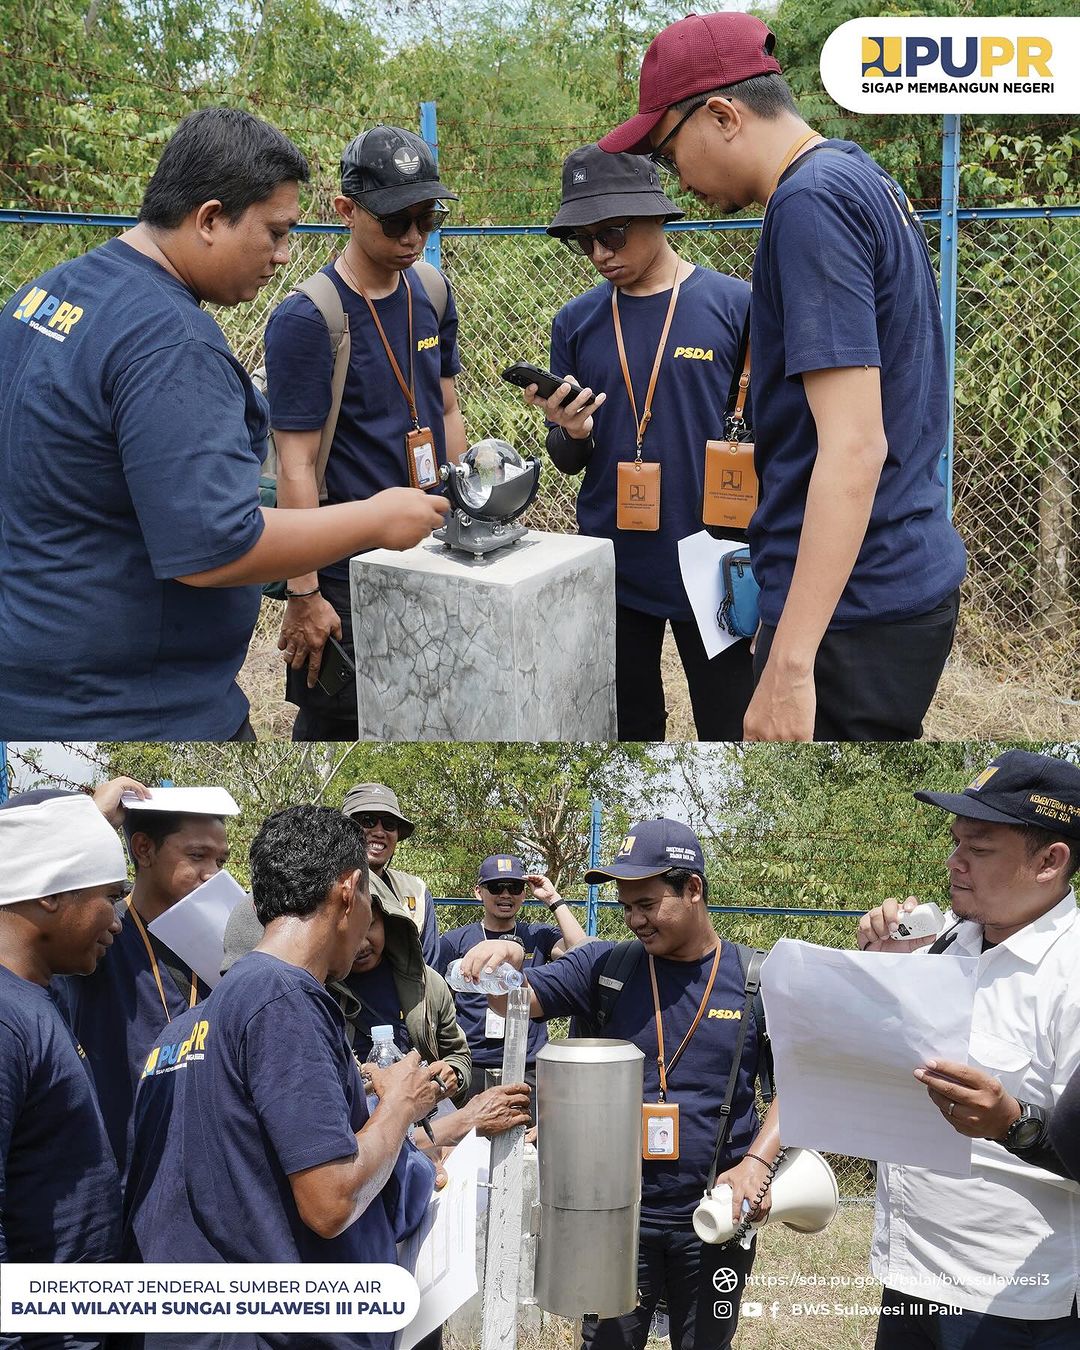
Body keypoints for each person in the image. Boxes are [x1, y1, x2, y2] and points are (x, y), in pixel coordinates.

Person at [0, 106, 448, 741]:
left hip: (36, 673)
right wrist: (376, 520)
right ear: (209, 219)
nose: (283, 256)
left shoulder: (47, 294)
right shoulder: (170, 343)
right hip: (135, 709)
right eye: (274, 232)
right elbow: (215, 547)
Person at [599, 12, 966, 742]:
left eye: (671, 155)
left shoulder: (810, 205)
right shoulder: (858, 175)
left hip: (855, 609)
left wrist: (791, 665)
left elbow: (855, 447)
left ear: (723, 115)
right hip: (891, 582)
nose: (678, 179)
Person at [124, 805, 442, 1350]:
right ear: (348, 891)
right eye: (371, 902)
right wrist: (400, 1105)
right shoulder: (284, 1000)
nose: (369, 925)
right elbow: (330, 1202)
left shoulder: (176, 1036)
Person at [456, 821, 780, 1350]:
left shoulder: (755, 979)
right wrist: (507, 962)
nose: (635, 920)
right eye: (627, 906)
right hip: (616, 1216)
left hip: (715, 1218)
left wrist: (757, 1163)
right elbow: (518, 1002)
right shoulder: (608, 965)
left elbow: (799, 1086)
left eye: (648, 904)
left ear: (693, 889)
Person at [523, 143, 753, 740]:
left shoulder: (733, 306)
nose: (601, 253)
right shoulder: (576, 321)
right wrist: (571, 430)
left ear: (658, 216)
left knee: (728, 722)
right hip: (614, 558)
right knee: (628, 726)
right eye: (584, 239)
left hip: (717, 558)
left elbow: (767, 437)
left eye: (615, 233)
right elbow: (568, 459)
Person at [857, 749, 1080, 1346]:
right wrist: (883, 975)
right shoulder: (942, 944)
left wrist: (1013, 1124)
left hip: (1016, 1301)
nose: (955, 864)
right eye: (956, 843)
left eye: (978, 850)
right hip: (908, 1275)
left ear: (1050, 861)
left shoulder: (1072, 976)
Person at [264, 125, 467, 739]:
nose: (413, 237)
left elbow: (447, 408)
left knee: (430, 706)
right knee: (341, 716)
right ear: (346, 211)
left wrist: (468, 514)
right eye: (394, 220)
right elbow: (296, 464)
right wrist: (304, 592)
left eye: (426, 218)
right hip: (346, 567)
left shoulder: (430, 290)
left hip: (429, 547)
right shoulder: (309, 318)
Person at [56, 788, 238, 1185]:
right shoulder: (97, 939)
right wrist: (93, 821)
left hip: (209, 1173)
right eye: (197, 856)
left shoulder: (232, 943)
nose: (214, 874)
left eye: (221, 860)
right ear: (143, 849)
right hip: (123, 1176)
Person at [0, 791, 128, 1299]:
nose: (118, 921)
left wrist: (85, 820)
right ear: (51, 894)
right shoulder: (7, 1019)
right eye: (111, 897)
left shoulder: (39, 997)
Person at [221, 886, 472, 1104]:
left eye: (370, 925)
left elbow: (458, 1053)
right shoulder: (310, 989)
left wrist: (454, 1074)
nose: (362, 943)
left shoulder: (427, 984)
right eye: (353, 930)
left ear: (388, 922)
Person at [437, 854, 588, 1112]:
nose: (505, 895)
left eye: (515, 887)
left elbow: (582, 954)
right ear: (478, 892)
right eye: (496, 887)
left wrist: (553, 899)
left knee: (528, 1145)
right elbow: (439, 1000)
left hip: (527, 1064)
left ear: (523, 893)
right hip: (473, 1063)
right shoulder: (455, 941)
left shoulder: (538, 935)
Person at [341, 782, 439, 965]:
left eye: (389, 824)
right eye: (367, 821)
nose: (379, 831)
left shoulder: (415, 891)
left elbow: (429, 968)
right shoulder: (319, 885)